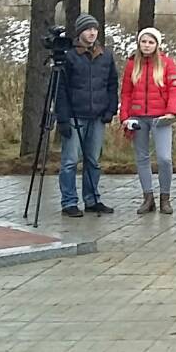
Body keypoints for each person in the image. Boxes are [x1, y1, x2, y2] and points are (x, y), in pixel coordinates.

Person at [57, 13, 119, 218]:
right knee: (70, 161)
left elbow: (112, 83)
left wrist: (111, 109)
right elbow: (60, 89)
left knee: (93, 160)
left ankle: (92, 199)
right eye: (88, 29)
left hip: (98, 116)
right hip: (75, 115)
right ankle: (69, 202)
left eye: (94, 29)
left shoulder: (105, 55)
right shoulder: (69, 56)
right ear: (80, 32)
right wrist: (63, 118)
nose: (92, 33)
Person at [120, 27, 176, 215]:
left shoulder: (167, 63)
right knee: (142, 158)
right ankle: (148, 197)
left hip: (160, 117)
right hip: (138, 116)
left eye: (151, 42)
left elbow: (175, 89)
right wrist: (124, 117)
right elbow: (126, 93)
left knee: (164, 158)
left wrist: (171, 111)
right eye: (144, 42)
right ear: (139, 43)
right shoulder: (132, 64)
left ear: (157, 44)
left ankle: (165, 197)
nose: (147, 45)